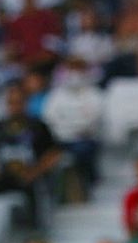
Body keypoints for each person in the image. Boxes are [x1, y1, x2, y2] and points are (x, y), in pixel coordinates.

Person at [0, 84, 62, 229]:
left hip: (32, 176)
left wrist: (36, 171)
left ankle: (34, 231)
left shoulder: (38, 126)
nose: (14, 106)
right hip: (5, 175)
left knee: (32, 191)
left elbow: (54, 153)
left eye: (18, 102)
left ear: (26, 103)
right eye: (11, 102)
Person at [43, 58, 104, 199]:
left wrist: (71, 127)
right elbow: (50, 118)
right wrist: (65, 130)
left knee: (84, 150)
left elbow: (92, 120)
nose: (74, 74)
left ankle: (88, 185)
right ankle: (53, 193)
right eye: (71, 70)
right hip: (60, 138)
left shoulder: (94, 94)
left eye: (78, 70)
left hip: (84, 138)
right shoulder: (56, 95)